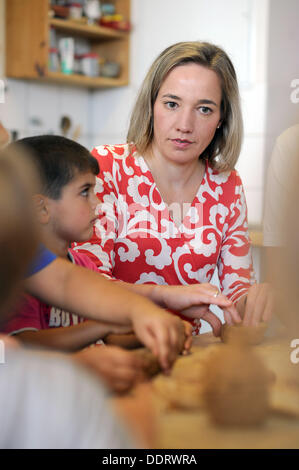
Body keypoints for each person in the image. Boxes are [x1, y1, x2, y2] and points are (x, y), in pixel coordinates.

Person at [74, 41, 272, 333]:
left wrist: (254, 304)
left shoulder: (227, 184)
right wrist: (166, 296)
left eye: (204, 109)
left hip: (183, 360)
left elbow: (237, 293)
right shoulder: (107, 167)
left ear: (221, 119)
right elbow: (86, 282)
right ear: (152, 105)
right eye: (171, 104)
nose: (185, 124)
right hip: (108, 353)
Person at [0, 145, 135, 449]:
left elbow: (110, 333)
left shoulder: (81, 264)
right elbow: (25, 344)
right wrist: (101, 326)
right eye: (85, 192)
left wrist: (153, 329)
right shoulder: (23, 276)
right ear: (41, 209)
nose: (98, 204)